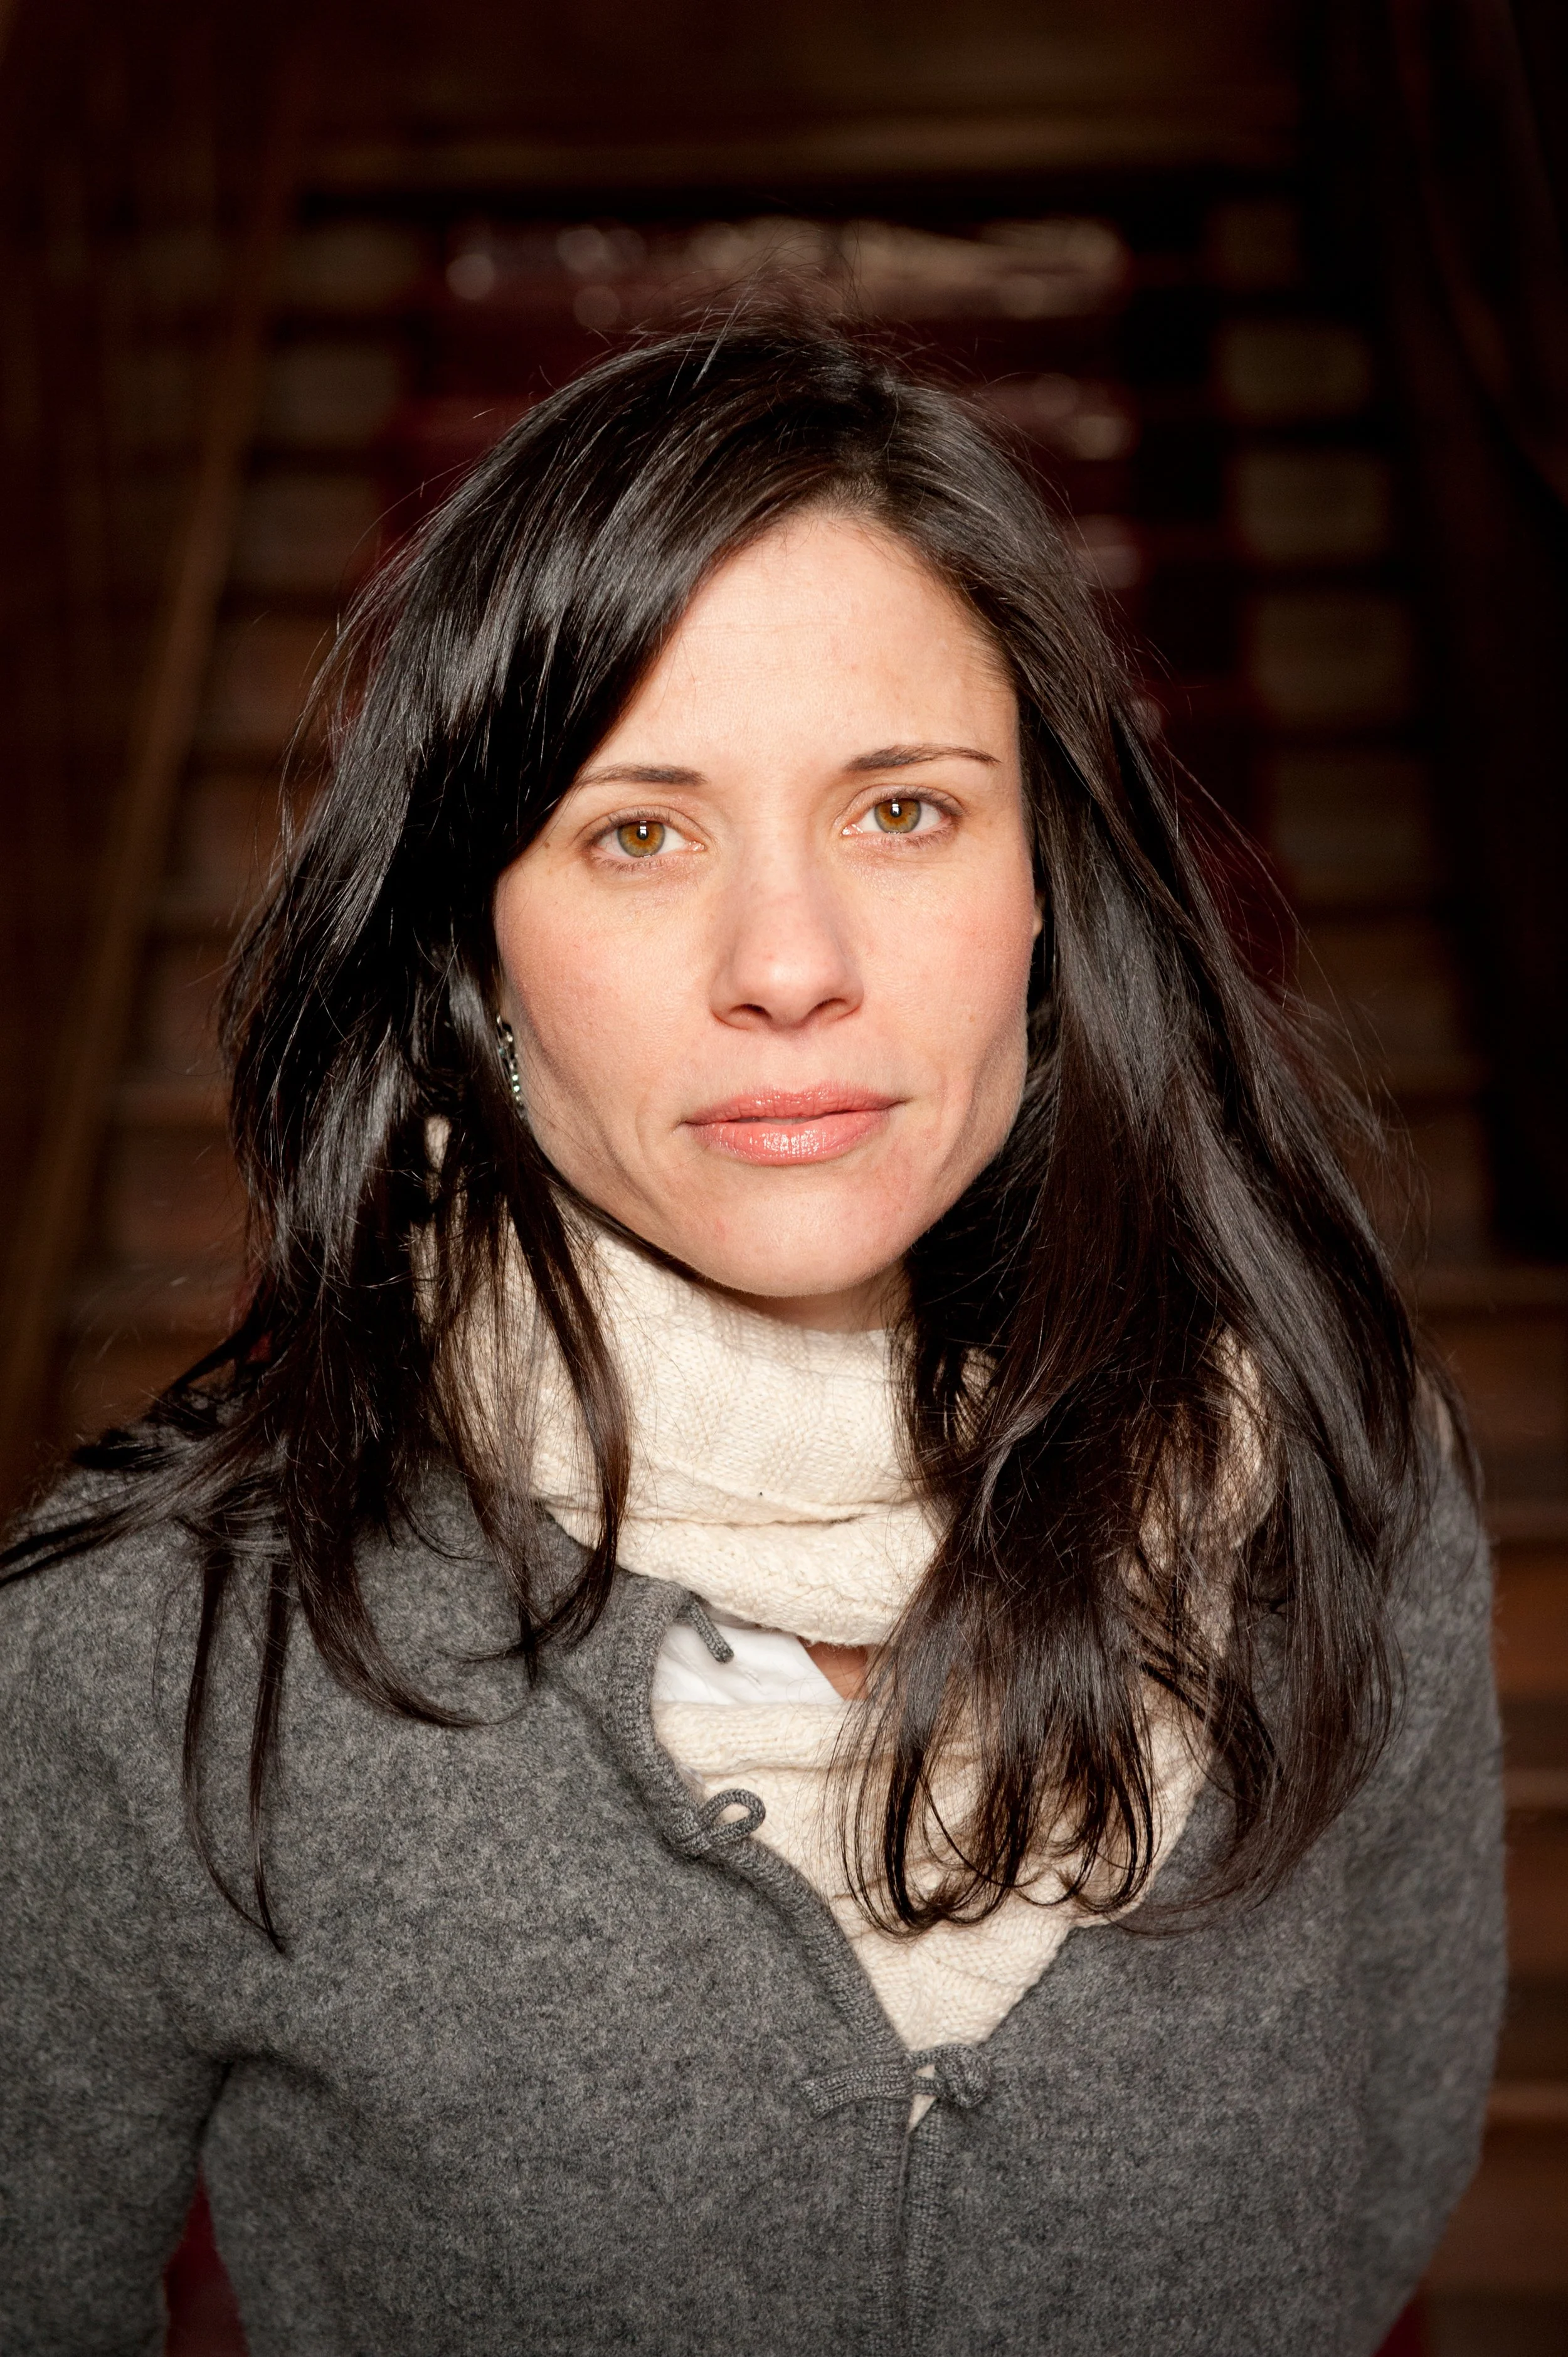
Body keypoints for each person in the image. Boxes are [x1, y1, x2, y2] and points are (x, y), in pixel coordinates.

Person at [0, 321, 1502, 2357]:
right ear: (472, 937)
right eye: (640, 832)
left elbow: (1372, 2194)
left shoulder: (1340, 1472)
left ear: (1048, 877)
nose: (786, 965)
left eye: (903, 811)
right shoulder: (156, 1657)